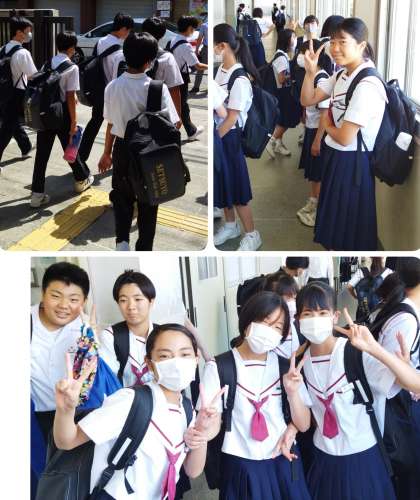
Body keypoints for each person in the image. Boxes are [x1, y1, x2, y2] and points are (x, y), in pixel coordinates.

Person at [53, 324, 222, 500]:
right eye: (165, 356)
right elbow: (67, 441)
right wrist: (65, 410)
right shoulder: (130, 401)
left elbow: (193, 471)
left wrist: (201, 432)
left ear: (196, 359)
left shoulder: (186, 409)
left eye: (185, 354)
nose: (176, 363)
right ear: (149, 363)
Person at [289, 281, 420, 500]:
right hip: (323, 459)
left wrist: (374, 348)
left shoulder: (354, 353)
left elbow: (415, 384)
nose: (315, 319)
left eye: (322, 313)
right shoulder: (299, 362)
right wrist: (293, 392)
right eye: (308, 314)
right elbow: (304, 424)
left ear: (335, 316)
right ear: (298, 320)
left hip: (363, 459)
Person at [199, 291, 312, 500]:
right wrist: (203, 428)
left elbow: (304, 424)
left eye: (277, 327)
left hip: (283, 460)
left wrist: (293, 393)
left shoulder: (286, 368)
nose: (269, 331)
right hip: (240, 465)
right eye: (264, 322)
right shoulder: (219, 367)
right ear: (247, 321)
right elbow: (213, 425)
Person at [301, 18, 387, 250]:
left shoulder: (367, 85)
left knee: (345, 231)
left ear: (361, 45)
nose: (335, 48)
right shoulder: (342, 75)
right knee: (334, 227)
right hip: (336, 157)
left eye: (342, 42)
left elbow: (345, 137)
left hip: (352, 163)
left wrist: (326, 122)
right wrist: (310, 73)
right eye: (332, 42)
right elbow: (307, 99)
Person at [98, 32, 179, 251]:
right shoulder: (157, 88)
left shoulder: (112, 87)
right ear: (149, 62)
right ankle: (144, 247)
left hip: (122, 150)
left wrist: (106, 153)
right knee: (149, 202)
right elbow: (173, 124)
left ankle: (122, 242)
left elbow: (111, 124)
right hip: (149, 153)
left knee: (122, 198)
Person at [213, 23, 262, 251]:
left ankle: (252, 234)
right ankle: (231, 225)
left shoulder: (240, 79)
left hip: (229, 138)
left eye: (214, 45)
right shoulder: (221, 69)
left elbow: (232, 117)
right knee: (225, 185)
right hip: (221, 135)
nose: (212, 49)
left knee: (238, 190)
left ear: (222, 46)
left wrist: (215, 139)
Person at [30, 31, 93, 208]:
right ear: (72, 47)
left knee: (42, 155)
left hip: (45, 113)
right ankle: (81, 180)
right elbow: (71, 96)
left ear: (57, 45)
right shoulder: (72, 67)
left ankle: (36, 195)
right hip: (62, 114)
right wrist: (73, 122)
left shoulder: (48, 62)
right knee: (70, 148)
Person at [31, 261, 89, 441]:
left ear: (84, 302)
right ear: (43, 294)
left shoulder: (86, 331)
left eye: (73, 300)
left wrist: (92, 344)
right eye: (56, 296)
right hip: (36, 419)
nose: (64, 305)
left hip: (78, 415)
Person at [78, 13, 134, 165]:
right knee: (119, 127)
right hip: (114, 93)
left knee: (94, 123)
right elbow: (119, 76)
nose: (128, 34)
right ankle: (117, 159)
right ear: (123, 29)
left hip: (99, 91)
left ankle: (81, 157)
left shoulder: (101, 41)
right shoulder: (121, 51)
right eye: (128, 31)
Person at [99, 270, 157, 387]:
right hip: (124, 398)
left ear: (151, 302)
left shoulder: (163, 335)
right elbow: (108, 379)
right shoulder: (110, 336)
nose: (131, 307)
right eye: (123, 300)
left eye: (138, 299)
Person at [296, 40, 330, 226]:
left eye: (306, 53)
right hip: (311, 128)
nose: (302, 57)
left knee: (318, 172)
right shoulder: (312, 75)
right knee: (313, 172)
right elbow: (305, 102)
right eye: (302, 53)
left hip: (319, 131)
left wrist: (317, 140)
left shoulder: (322, 78)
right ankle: (312, 201)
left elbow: (325, 113)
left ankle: (317, 209)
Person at [0, 15, 37, 164]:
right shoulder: (23, 53)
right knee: (7, 128)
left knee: (12, 121)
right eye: (28, 31)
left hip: (3, 92)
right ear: (19, 32)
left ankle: (26, 146)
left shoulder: (2, 49)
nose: (30, 34)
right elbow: (32, 75)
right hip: (17, 93)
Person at [168, 16, 207, 140]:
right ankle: (189, 131)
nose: (194, 31)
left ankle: (190, 131)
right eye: (194, 28)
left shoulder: (173, 39)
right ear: (190, 28)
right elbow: (197, 65)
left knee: (178, 105)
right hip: (181, 77)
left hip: (171, 75)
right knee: (182, 105)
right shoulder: (185, 45)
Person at [265, 29, 301, 158]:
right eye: (293, 37)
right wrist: (295, 75)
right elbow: (281, 78)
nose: (295, 40)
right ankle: (272, 140)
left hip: (282, 92)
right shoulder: (281, 57)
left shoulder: (282, 55)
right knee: (286, 120)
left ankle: (279, 144)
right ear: (287, 40)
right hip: (283, 93)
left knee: (283, 119)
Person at [141, 17, 183, 119]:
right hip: (157, 112)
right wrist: (177, 116)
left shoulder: (128, 53)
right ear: (163, 34)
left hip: (130, 107)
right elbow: (174, 88)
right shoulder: (167, 57)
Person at [347, 257, 393, 322]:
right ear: (383, 258)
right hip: (379, 310)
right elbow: (392, 291)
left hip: (362, 308)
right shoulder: (388, 272)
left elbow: (349, 286)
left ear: (370, 258)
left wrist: (356, 296)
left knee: (361, 324)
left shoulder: (361, 271)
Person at [191, 18, 208, 93]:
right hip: (215, 48)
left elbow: (200, 38)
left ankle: (196, 87)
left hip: (206, 49)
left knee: (200, 68)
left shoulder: (205, 25)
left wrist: (197, 49)